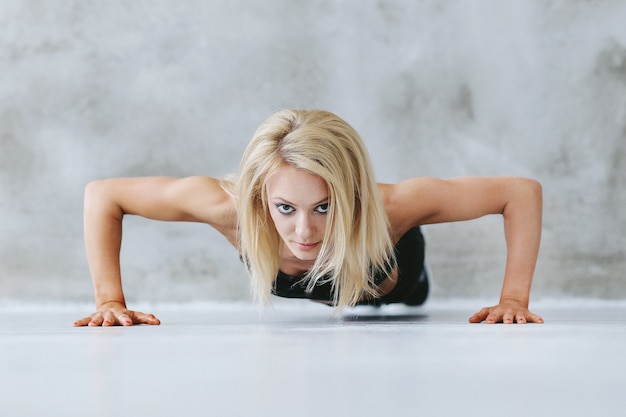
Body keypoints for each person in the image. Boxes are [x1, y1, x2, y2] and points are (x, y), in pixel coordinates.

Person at [73, 109, 544, 327]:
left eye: (325, 207)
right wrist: (109, 300)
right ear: (260, 196)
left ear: (352, 192)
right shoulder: (229, 209)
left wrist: (514, 299)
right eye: (285, 208)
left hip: (398, 284)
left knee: (410, 295)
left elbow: (519, 193)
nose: (305, 231)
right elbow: (104, 196)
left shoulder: (391, 207)